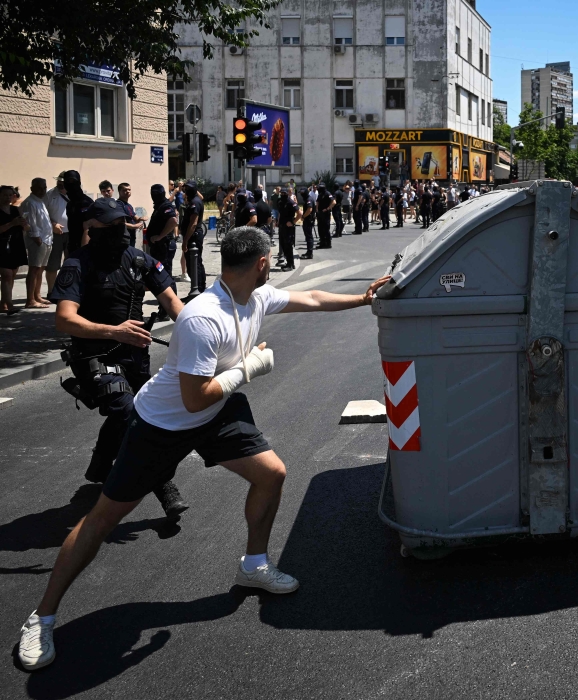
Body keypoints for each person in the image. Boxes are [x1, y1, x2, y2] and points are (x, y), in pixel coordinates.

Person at [16, 226, 391, 672]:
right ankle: (41, 617)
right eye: (268, 259)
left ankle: (253, 565)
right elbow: (196, 397)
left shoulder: (254, 297)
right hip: (162, 425)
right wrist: (248, 368)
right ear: (262, 263)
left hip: (214, 415)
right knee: (101, 520)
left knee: (271, 473)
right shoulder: (202, 317)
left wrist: (363, 300)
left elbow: (310, 298)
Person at [49, 197, 187, 513]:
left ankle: (100, 465)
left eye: (124, 224)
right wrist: (113, 331)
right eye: (112, 226)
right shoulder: (77, 264)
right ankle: (163, 485)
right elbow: (64, 319)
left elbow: (173, 303)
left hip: (134, 355)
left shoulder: (140, 261)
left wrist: (205, 330)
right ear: (92, 228)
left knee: (137, 411)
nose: (121, 232)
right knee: (131, 415)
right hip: (94, 356)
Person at [147, 184, 180, 320]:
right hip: (160, 247)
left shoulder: (165, 205)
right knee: (162, 276)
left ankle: (168, 309)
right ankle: (165, 309)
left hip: (164, 246)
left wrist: (160, 236)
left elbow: (173, 221)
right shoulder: (160, 205)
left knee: (164, 277)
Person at [21, 177, 53, 308]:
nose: (42, 190)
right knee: (34, 269)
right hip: (37, 240)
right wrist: (37, 238)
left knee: (40, 269)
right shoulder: (30, 202)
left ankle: (37, 295)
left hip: (46, 239)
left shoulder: (41, 201)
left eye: (44, 188)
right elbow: (30, 223)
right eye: (39, 188)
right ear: (32, 189)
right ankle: (30, 300)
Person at [0, 185, 28, 314]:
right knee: (6, 275)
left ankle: (3, 303)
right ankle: (10, 305)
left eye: (10, 195)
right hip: (2, 246)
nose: (8, 198)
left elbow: (26, 227)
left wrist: (24, 224)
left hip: (16, 245)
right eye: (5, 195)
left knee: (11, 275)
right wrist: (12, 224)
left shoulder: (16, 210)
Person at [44, 174, 70, 294]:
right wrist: (53, 224)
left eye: (63, 183)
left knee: (70, 263)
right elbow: (43, 214)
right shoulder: (49, 194)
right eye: (59, 182)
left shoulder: (74, 194)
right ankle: (51, 291)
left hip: (71, 233)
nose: (60, 185)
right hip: (55, 233)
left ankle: (67, 290)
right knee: (52, 265)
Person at [181, 180, 206, 299]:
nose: (186, 190)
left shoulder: (195, 202)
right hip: (193, 236)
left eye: (188, 188)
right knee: (194, 264)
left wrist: (185, 241)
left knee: (195, 264)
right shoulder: (193, 200)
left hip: (193, 236)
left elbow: (193, 223)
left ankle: (199, 290)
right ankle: (195, 289)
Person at [63, 170, 94, 254]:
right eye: (68, 181)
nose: (71, 184)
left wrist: (83, 252)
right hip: (73, 245)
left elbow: (88, 228)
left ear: (79, 183)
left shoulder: (86, 202)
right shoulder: (70, 203)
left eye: (73, 181)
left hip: (84, 248)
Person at [276, 189, 299, 271]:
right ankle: (289, 263)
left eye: (284, 193)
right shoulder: (280, 202)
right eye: (281, 193)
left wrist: (293, 222)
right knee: (283, 245)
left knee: (288, 245)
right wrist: (278, 221)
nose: (282, 194)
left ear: (287, 194)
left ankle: (290, 264)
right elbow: (280, 213)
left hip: (288, 228)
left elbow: (299, 213)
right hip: (282, 226)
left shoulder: (291, 202)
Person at [116, 183, 145, 248]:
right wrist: (133, 226)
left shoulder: (129, 206)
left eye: (129, 190)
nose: (128, 191)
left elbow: (135, 217)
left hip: (131, 236)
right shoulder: (118, 204)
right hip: (123, 237)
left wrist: (141, 219)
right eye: (125, 190)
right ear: (119, 192)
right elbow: (119, 223)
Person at [298, 187, 315, 259]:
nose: (301, 195)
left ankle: (309, 253)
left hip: (308, 220)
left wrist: (303, 216)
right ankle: (309, 252)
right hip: (308, 220)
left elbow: (310, 209)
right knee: (308, 236)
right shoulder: (307, 198)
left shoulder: (308, 199)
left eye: (302, 193)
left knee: (309, 237)